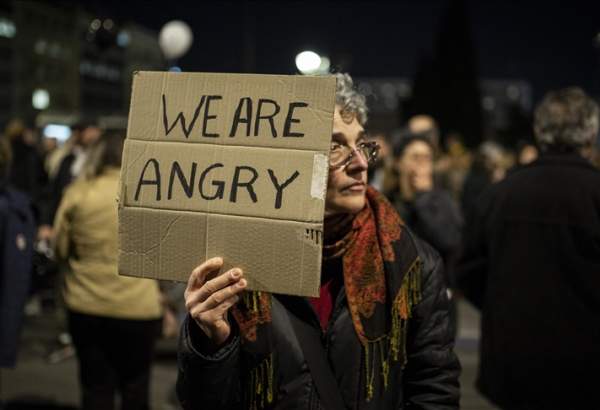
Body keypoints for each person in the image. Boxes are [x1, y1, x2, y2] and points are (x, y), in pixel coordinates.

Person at [176, 73, 460, 409]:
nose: (359, 164)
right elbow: (203, 402)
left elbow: (434, 389)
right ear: (290, 156)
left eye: (361, 145)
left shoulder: (410, 262)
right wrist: (211, 343)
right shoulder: (239, 260)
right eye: (336, 147)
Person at [456, 87, 600, 410]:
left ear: (540, 132)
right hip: (587, 366)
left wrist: (504, 305)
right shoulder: (594, 193)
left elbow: (467, 271)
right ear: (590, 133)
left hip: (513, 361)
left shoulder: (500, 194)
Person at [53, 130, 163, 410]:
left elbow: (59, 249)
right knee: (136, 389)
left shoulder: (79, 193)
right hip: (138, 307)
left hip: (86, 303)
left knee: (96, 388)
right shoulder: (149, 193)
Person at [390, 132, 463, 336]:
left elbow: (449, 241)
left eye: (427, 159)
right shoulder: (388, 203)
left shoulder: (443, 201)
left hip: (437, 304)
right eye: (415, 158)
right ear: (398, 163)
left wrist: (423, 197)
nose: (422, 165)